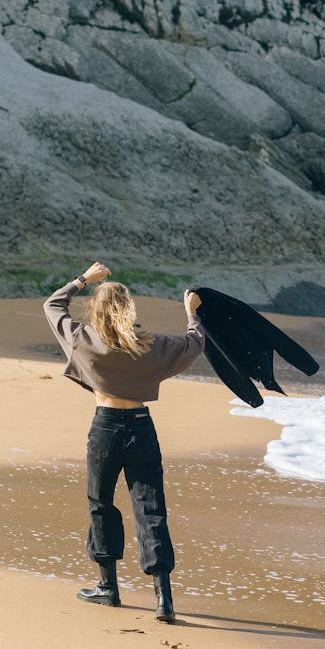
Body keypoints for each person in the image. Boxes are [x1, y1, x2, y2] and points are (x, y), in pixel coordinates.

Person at [43, 262, 204, 623]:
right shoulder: (150, 346)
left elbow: (52, 306)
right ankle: (163, 599)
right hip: (141, 427)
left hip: (106, 426)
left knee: (101, 503)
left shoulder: (85, 339)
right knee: (151, 507)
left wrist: (83, 280)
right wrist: (190, 313)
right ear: (129, 310)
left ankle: (108, 588)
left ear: (97, 311)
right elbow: (194, 345)